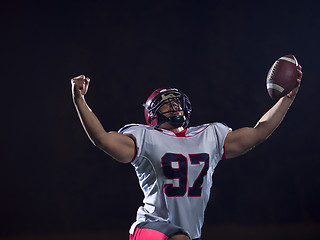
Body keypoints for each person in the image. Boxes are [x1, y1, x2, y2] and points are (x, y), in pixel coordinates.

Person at [71, 65, 302, 240]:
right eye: (166, 103)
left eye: (177, 102)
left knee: (183, 237)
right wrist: (79, 100)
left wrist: (286, 100)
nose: (174, 106)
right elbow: (102, 139)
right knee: (179, 237)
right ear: (152, 114)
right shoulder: (145, 136)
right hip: (149, 228)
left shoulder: (210, 135)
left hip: (188, 234)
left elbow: (258, 132)